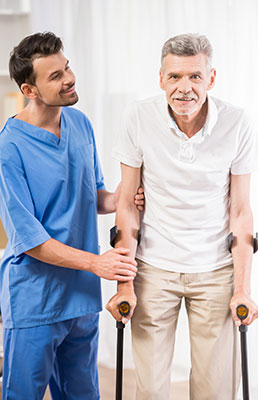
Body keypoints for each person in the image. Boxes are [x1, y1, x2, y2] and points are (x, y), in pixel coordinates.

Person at [106, 33, 258, 400]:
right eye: (174, 77)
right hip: (153, 268)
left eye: (194, 76)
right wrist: (124, 284)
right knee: (151, 390)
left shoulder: (237, 123)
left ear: (211, 78)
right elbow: (127, 203)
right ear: (161, 79)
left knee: (216, 388)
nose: (184, 88)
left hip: (215, 270)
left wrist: (242, 288)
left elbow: (240, 211)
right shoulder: (139, 116)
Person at [0, 32, 144, 400]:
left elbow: (92, 195)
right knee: (23, 394)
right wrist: (98, 263)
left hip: (82, 297)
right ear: (29, 90)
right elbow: (29, 240)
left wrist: (123, 197)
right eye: (55, 76)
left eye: (67, 68)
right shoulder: (9, 147)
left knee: (83, 394)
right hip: (36, 298)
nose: (69, 79)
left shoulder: (79, 123)